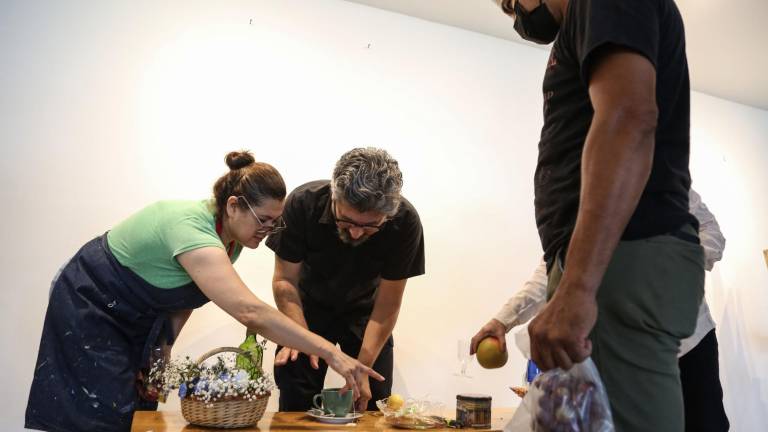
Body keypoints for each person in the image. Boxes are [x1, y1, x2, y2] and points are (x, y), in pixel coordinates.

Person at [25, 151, 383, 432]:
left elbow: (182, 296)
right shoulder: (192, 230)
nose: (268, 231)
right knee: (104, 412)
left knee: (141, 401)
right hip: (92, 302)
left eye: (276, 223)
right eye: (263, 220)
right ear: (233, 205)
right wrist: (330, 353)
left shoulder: (231, 239)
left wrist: (162, 354)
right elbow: (250, 312)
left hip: (136, 314)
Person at [493, 0, 703, 430]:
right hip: (608, 265)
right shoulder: (585, 21)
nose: (515, 17)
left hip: (620, 262)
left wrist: (578, 287)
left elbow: (627, 117)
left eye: (511, 3)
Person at [471, 189, 729, 431]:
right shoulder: (574, 202)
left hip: (688, 344)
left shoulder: (661, 180)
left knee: (704, 425)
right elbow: (552, 271)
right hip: (626, 356)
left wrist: (670, 269)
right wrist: (502, 321)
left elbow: (712, 235)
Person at [266, 147, 425, 412]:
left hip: (368, 314)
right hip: (305, 311)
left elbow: (388, 304)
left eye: (370, 225)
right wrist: (302, 337)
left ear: (388, 214)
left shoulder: (405, 222)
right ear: (334, 196)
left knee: (372, 397)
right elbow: (285, 281)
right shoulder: (302, 204)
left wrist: (362, 367)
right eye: (346, 221)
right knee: (296, 394)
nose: (355, 233)